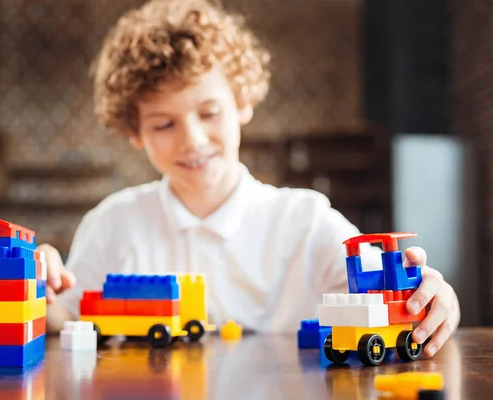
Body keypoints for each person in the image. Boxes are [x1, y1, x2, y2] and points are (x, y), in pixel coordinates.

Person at [41, 0, 460, 357]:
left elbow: (387, 300)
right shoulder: (114, 223)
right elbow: (65, 316)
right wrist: (32, 290)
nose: (193, 140)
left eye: (209, 113)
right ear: (135, 132)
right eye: (164, 124)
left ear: (242, 102)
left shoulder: (307, 221)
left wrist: (437, 302)